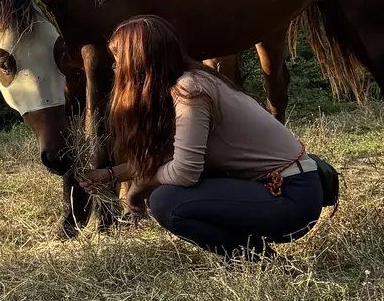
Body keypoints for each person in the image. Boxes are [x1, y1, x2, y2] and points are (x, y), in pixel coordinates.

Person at [78, 14, 330, 259]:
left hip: (290, 196)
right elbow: (170, 157)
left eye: (118, 59)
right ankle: (259, 259)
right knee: (170, 191)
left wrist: (142, 184)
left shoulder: (190, 90)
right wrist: (110, 175)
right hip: (287, 188)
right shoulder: (191, 82)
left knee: (166, 201)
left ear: (139, 61)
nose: (116, 68)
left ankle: (259, 262)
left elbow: (184, 172)